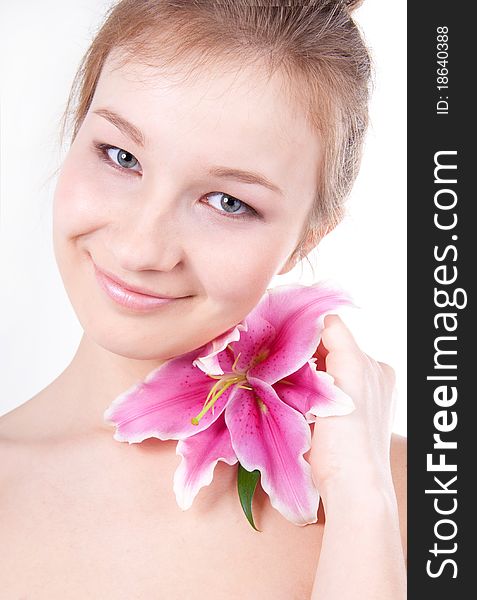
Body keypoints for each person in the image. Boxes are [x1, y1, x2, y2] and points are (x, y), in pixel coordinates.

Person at [0, 0, 407, 598]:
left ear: (305, 241)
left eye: (228, 202)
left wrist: (363, 503)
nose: (142, 248)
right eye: (121, 157)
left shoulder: (418, 496)